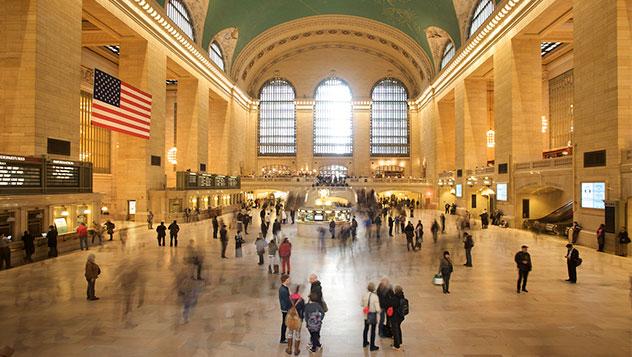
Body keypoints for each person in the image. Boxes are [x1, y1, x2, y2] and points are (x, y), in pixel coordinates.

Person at [285, 285, 305, 355]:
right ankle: (296, 350)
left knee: (290, 333)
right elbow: (303, 310)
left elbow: (286, 307)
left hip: (290, 318)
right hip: (298, 319)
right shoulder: (301, 300)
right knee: (298, 334)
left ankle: (289, 349)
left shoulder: (289, 299)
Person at [361, 282, 381, 351]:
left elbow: (361, 304)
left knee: (366, 329)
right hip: (372, 315)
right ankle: (372, 346)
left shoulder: (364, 295)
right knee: (373, 331)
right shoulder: (375, 297)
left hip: (366, 315)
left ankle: (365, 342)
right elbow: (377, 308)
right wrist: (379, 311)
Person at [387, 285, 407, 350]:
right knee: (398, 328)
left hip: (395, 317)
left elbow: (389, 304)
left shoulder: (395, 298)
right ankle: (400, 342)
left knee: (395, 331)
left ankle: (396, 345)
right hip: (401, 317)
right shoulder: (402, 296)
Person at [278, 274, 291, 344]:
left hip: (285, 308)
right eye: (288, 279)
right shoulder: (283, 290)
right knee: (284, 323)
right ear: (285, 280)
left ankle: (283, 337)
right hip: (285, 309)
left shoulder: (284, 288)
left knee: (285, 323)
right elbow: (287, 300)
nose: (289, 280)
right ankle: (282, 338)